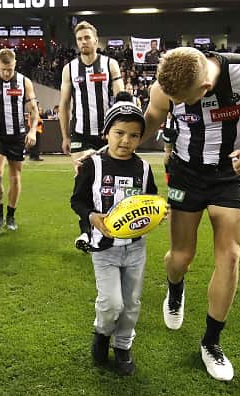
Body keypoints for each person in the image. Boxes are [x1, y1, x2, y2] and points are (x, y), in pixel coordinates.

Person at [143, 47, 240, 381]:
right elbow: (149, 121)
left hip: (230, 173)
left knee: (231, 256)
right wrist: (110, 150)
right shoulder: (166, 87)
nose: (177, 104)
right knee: (180, 257)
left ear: (205, 88)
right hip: (184, 173)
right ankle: (175, 288)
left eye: (184, 100)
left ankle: (211, 342)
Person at [70, 93, 159, 376]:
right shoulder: (92, 165)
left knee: (131, 304)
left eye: (134, 135)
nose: (125, 141)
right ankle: (101, 333)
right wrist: (92, 217)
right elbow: (77, 201)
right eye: (119, 133)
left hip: (135, 249)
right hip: (104, 248)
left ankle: (122, 347)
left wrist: (157, 213)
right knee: (112, 303)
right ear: (106, 132)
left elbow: (151, 200)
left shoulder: (143, 168)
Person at [58, 21, 124, 252]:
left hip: (106, 134)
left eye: (87, 38)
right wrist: (65, 136)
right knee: (83, 177)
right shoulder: (70, 69)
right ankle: (86, 232)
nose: (83, 42)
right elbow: (64, 105)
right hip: (80, 133)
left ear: (96, 40)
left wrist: (118, 129)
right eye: (79, 39)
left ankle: (110, 228)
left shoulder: (110, 64)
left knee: (107, 183)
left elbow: (121, 96)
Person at [0, 48, 39, 236]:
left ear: (15, 64)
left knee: (15, 176)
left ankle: (11, 215)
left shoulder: (24, 82)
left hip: (18, 136)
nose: (6, 73)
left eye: (9, 69)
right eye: (3, 69)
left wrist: (33, 130)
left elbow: (34, 110)